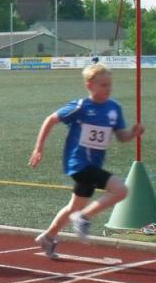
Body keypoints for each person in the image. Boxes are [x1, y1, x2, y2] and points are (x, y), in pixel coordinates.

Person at [28, 63, 144, 258]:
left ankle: (48, 237)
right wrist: (38, 147)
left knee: (74, 206)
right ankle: (83, 217)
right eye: (103, 85)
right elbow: (51, 119)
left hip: (94, 164)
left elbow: (121, 136)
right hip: (78, 164)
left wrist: (133, 133)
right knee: (121, 190)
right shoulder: (80, 107)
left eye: (109, 84)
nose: (107, 88)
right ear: (89, 85)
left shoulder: (114, 108)